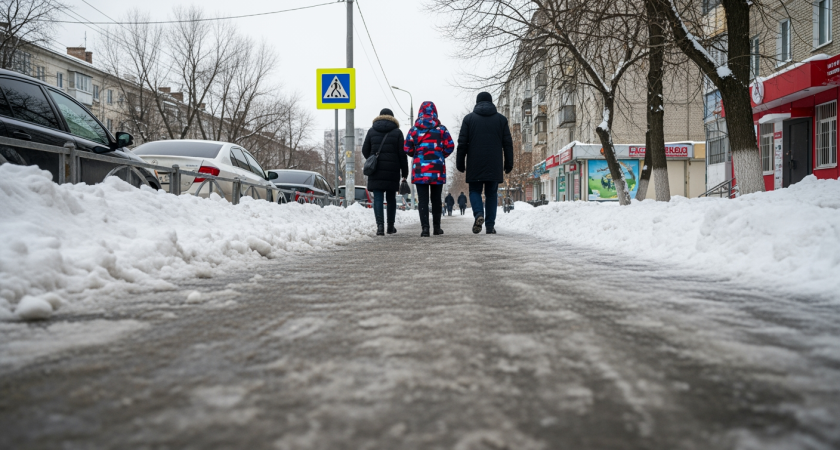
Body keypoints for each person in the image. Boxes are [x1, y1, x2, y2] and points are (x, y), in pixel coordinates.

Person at [456, 92, 514, 234]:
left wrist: (460, 162)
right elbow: (507, 143)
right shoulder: (501, 120)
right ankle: (489, 226)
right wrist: (508, 163)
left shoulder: (468, 119)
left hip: (475, 162)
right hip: (494, 163)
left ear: (477, 103)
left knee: (475, 190)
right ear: (491, 102)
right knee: (491, 194)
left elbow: (462, 143)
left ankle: (478, 214)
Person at [404, 101, 454, 237]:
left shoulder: (414, 130)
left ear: (420, 112)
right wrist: (440, 155)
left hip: (420, 169)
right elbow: (450, 146)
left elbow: (407, 148)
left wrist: (416, 154)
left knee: (423, 199)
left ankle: (425, 229)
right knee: (436, 199)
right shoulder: (441, 129)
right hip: (437, 169)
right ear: (435, 112)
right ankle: (437, 228)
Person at [362, 108, 409, 236]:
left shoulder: (372, 131)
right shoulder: (397, 132)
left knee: (377, 197)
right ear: (392, 118)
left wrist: (373, 159)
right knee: (391, 198)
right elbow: (402, 154)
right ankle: (390, 226)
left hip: (376, 170)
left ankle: (380, 227)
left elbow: (365, 150)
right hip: (392, 170)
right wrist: (405, 172)